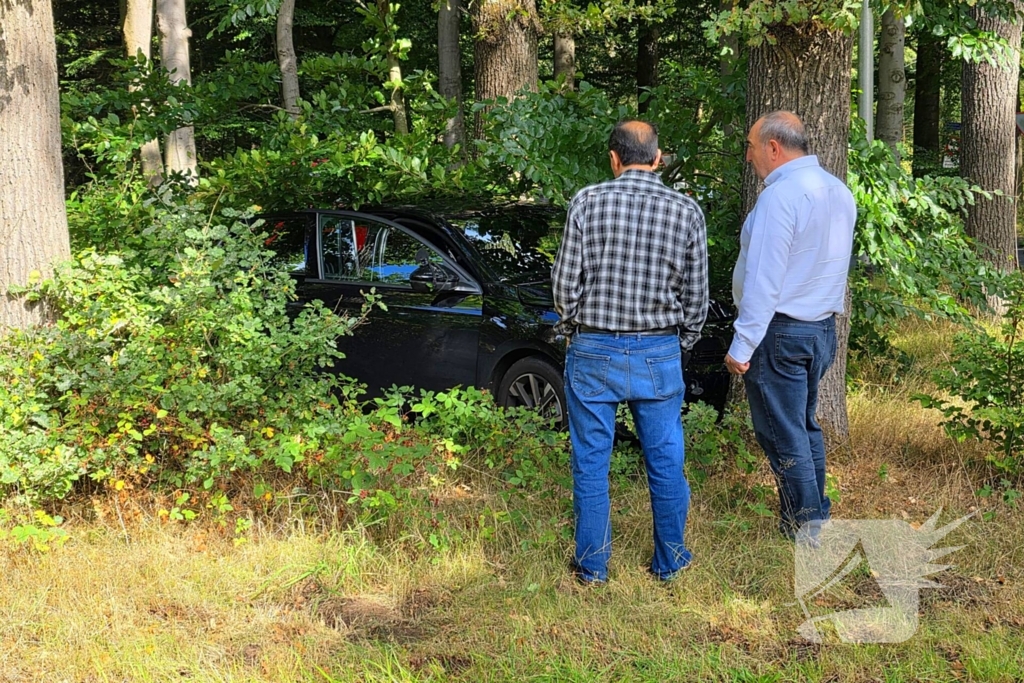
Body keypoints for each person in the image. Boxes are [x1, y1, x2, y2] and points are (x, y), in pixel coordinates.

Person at [552, 119, 709, 584]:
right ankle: (671, 562)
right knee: (665, 461)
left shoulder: (586, 202)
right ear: (658, 158)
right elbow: (696, 296)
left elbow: (564, 285)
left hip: (593, 346)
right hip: (658, 349)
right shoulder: (686, 211)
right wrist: (680, 341)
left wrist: (571, 328)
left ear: (614, 159)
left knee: (591, 463)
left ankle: (593, 568)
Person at [724, 111, 856, 544]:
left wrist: (742, 344)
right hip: (820, 330)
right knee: (804, 427)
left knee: (783, 433)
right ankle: (809, 518)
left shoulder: (780, 198)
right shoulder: (838, 192)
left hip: (779, 332)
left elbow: (765, 278)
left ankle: (808, 528)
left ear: (773, 148)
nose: (748, 157)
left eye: (750, 146)